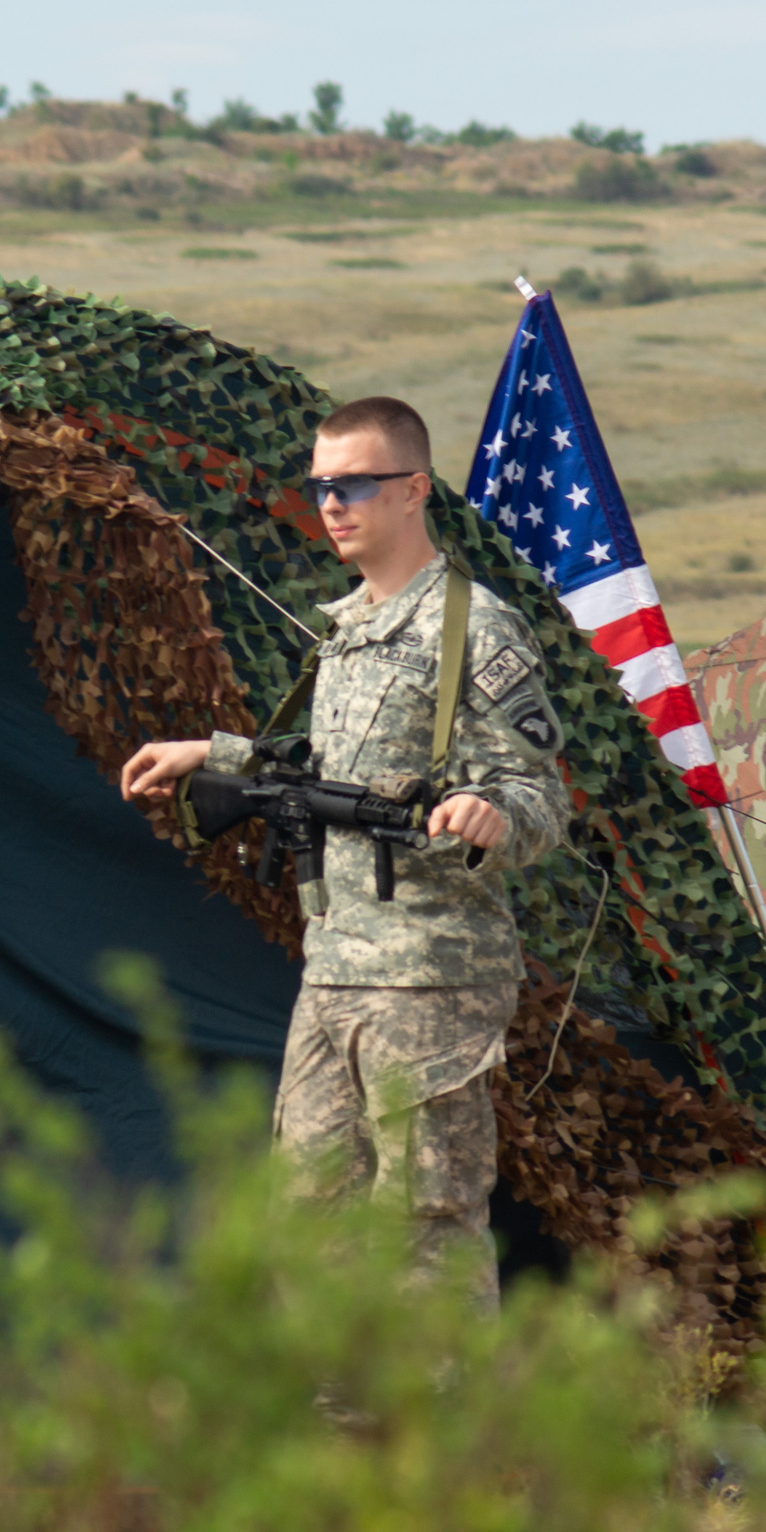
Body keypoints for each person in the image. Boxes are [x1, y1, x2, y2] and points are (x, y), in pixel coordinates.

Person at [120, 394, 569, 1309]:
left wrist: (490, 811)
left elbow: (541, 795)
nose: (332, 504)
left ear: (413, 490)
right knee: (309, 1216)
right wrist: (213, 754)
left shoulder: (473, 631)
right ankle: (335, 1398)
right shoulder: (348, 627)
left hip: (431, 976)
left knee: (427, 1224)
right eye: (322, 486)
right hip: (334, 968)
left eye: (355, 484)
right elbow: (329, 771)